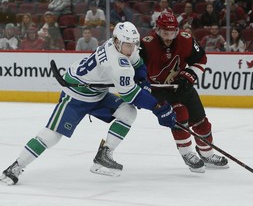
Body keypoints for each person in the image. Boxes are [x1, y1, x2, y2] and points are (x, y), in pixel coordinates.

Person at [0, 21, 176, 185]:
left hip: (97, 93)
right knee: (52, 135)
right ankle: (14, 167)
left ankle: (104, 155)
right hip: (76, 95)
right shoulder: (117, 64)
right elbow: (132, 95)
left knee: (128, 112)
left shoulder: (122, 44)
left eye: (133, 44)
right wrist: (158, 107)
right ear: (117, 41)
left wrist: (142, 81)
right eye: (127, 45)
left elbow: (138, 65)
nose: (131, 49)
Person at [140, 12, 229, 173]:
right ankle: (187, 153)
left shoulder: (186, 39)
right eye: (165, 33)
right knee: (179, 116)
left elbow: (200, 60)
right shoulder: (146, 45)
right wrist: (140, 89)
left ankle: (207, 154)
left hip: (182, 86)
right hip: (159, 89)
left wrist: (188, 76)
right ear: (157, 30)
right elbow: (136, 69)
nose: (169, 37)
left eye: (172, 33)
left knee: (201, 122)